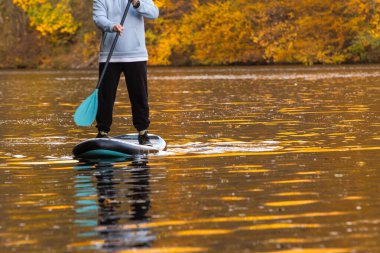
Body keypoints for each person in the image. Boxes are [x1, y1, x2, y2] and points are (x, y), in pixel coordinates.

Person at [93, 0, 159, 145]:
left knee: (139, 95)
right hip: (109, 55)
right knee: (105, 96)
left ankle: (143, 132)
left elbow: (154, 13)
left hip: (136, 54)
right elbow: (98, 18)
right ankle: (102, 132)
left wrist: (137, 3)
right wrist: (111, 26)